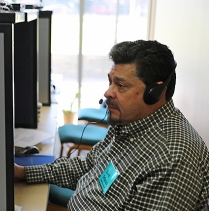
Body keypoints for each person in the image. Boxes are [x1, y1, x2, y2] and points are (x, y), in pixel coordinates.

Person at [15, 40, 209, 210]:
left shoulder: (172, 157)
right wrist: (24, 172)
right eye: (110, 82)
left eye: (121, 85)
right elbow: (88, 167)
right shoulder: (128, 123)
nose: (108, 93)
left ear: (155, 92)